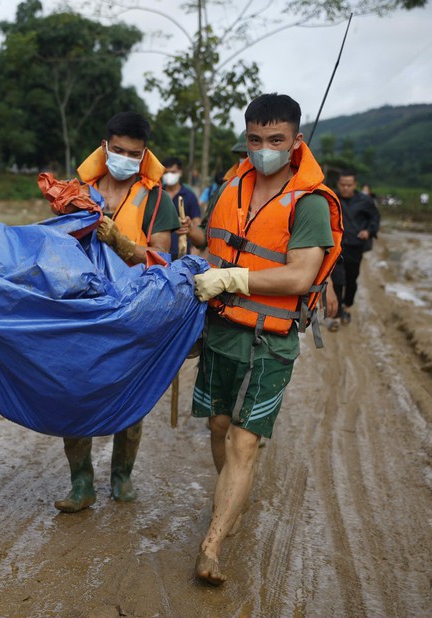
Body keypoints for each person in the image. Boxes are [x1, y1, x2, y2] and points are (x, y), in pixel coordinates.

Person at [190, 93, 342, 585]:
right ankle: (232, 499)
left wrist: (233, 278)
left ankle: (211, 547)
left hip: (268, 340)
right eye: (255, 140)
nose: (264, 149)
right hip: (219, 329)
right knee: (217, 426)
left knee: (244, 442)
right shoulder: (232, 185)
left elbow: (300, 276)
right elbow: (215, 242)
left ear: (296, 141)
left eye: (275, 140)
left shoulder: (311, 202)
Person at [53, 111, 180, 513]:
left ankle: (122, 476)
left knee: (132, 394)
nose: (124, 158)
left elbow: (165, 256)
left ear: (145, 156)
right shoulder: (78, 191)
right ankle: (81, 483)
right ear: (105, 147)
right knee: (73, 394)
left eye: (134, 153)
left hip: (135, 309)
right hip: (82, 305)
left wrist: (123, 244)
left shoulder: (157, 198)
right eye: (118, 150)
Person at [331, 170, 380, 325]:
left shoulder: (365, 201)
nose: (345, 188)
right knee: (337, 280)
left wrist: (368, 231)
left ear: (355, 185)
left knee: (351, 280)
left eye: (349, 185)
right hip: (335, 247)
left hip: (354, 246)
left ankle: (348, 306)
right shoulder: (331, 198)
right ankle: (337, 314)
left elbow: (375, 218)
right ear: (338, 184)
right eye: (342, 185)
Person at [161, 156, 203, 256]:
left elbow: (198, 225)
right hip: (159, 252)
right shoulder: (157, 194)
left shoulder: (189, 196)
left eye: (173, 172)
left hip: (181, 253)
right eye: (166, 172)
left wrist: (190, 230)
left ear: (180, 172)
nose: (169, 175)